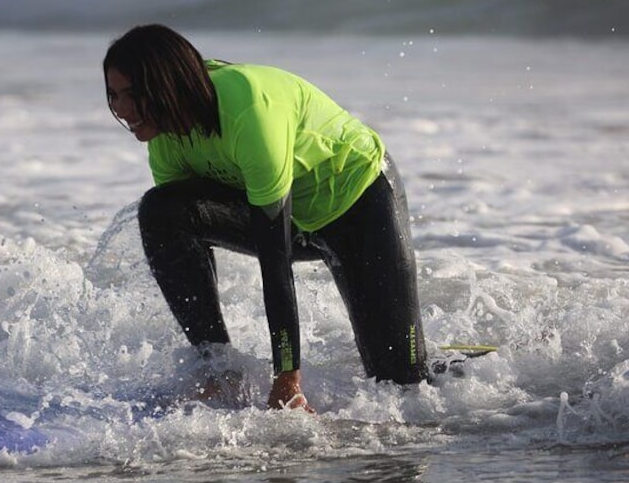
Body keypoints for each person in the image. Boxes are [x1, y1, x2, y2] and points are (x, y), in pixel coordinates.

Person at [103, 24, 428, 412]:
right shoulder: (166, 143)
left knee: (403, 389)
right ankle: (218, 372)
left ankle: (472, 368)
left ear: (167, 84)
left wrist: (287, 378)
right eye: (113, 95)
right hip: (292, 218)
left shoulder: (249, 110)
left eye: (132, 95)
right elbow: (184, 235)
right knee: (162, 210)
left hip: (357, 203)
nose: (121, 110)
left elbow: (275, 261)